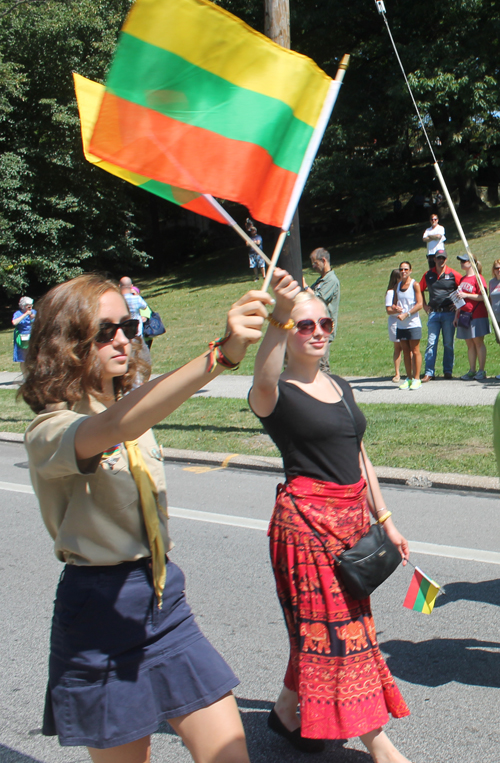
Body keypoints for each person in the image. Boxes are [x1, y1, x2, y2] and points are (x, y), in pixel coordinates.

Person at [20, 273, 272, 763]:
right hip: (98, 613)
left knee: (230, 755)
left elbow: (130, 414)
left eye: (128, 326)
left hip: (163, 598)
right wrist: (220, 354)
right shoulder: (50, 432)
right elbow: (113, 427)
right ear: (68, 343)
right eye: (103, 330)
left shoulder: (130, 407)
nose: (122, 338)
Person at [249, 269, 411, 763]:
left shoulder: (340, 385)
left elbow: (361, 455)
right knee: (340, 632)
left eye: (324, 322)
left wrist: (386, 520)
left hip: (352, 525)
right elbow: (262, 372)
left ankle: (285, 712)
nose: (318, 330)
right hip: (305, 530)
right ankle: (379, 746)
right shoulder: (273, 394)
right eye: (305, 325)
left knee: (324, 629)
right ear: (286, 334)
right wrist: (279, 312)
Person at [419, 250, 461, 381]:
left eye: (443, 258)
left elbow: (463, 288)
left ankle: (447, 371)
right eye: (438, 258)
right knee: (431, 343)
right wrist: (424, 305)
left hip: (449, 313)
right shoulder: (428, 274)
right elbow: (419, 289)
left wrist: (457, 304)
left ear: (446, 259)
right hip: (434, 313)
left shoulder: (453, 274)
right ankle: (429, 372)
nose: (440, 261)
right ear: (435, 260)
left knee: (448, 343)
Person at [303, 247, 340, 373]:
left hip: (325, 329)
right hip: (316, 327)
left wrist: (305, 286)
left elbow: (318, 298)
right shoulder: (321, 280)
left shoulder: (331, 280)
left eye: (315, 263)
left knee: (322, 366)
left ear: (323, 260)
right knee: (314, 364)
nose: (313, 266)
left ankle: (328, 391)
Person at [454, 255, 490, 380]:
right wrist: (456, 315)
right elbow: (459, 298)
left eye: (464, 261)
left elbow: (483, 296)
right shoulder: (462, 279)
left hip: (477, 315)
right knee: (469, 344)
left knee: (478, 342)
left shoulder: (479, 278)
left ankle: (481, 370)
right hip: (464, 316)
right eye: (461, 261)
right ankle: (472, 370)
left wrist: (466, 295)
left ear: (471, 263)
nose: (462, 263)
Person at [395, 262, 423, 390]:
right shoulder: (398, 285)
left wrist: (407, 314)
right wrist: (395, 307)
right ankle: (409, 378)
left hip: (413, 323)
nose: (403, 271)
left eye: (406, 269)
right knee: (406, 352)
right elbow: (395, 303)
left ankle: (417, 378)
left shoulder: (415, 285)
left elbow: (420, 304)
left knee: (415, 351)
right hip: (401, 325)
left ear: (410, 270)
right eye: (401, 269)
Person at [385, 269, 402, 382]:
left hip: (405, 320)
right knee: (398, 348)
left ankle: (411, 372)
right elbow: (388, 310)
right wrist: (397, 310)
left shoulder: (404, 290)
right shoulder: (391, 292)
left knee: (409, 347)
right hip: (395, 321)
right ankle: (397, 373)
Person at [12, 296, 36, 376]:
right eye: (28, 305)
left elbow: (39, 323)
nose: (30, 307)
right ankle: (25, 376)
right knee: (23, 358)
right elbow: (14, 322)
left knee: (33, 356)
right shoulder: (18, 313)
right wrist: (25, 314)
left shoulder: (34, 312)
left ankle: (32, 374)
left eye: (31, 305)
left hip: (32, 335)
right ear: (23, 305)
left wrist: (33, 317)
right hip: (21, 337)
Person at [488, 259, 500, 380]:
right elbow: (489, 299)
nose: (499, 270)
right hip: (496, 318)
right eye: (496, 268)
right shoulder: (491, 283)